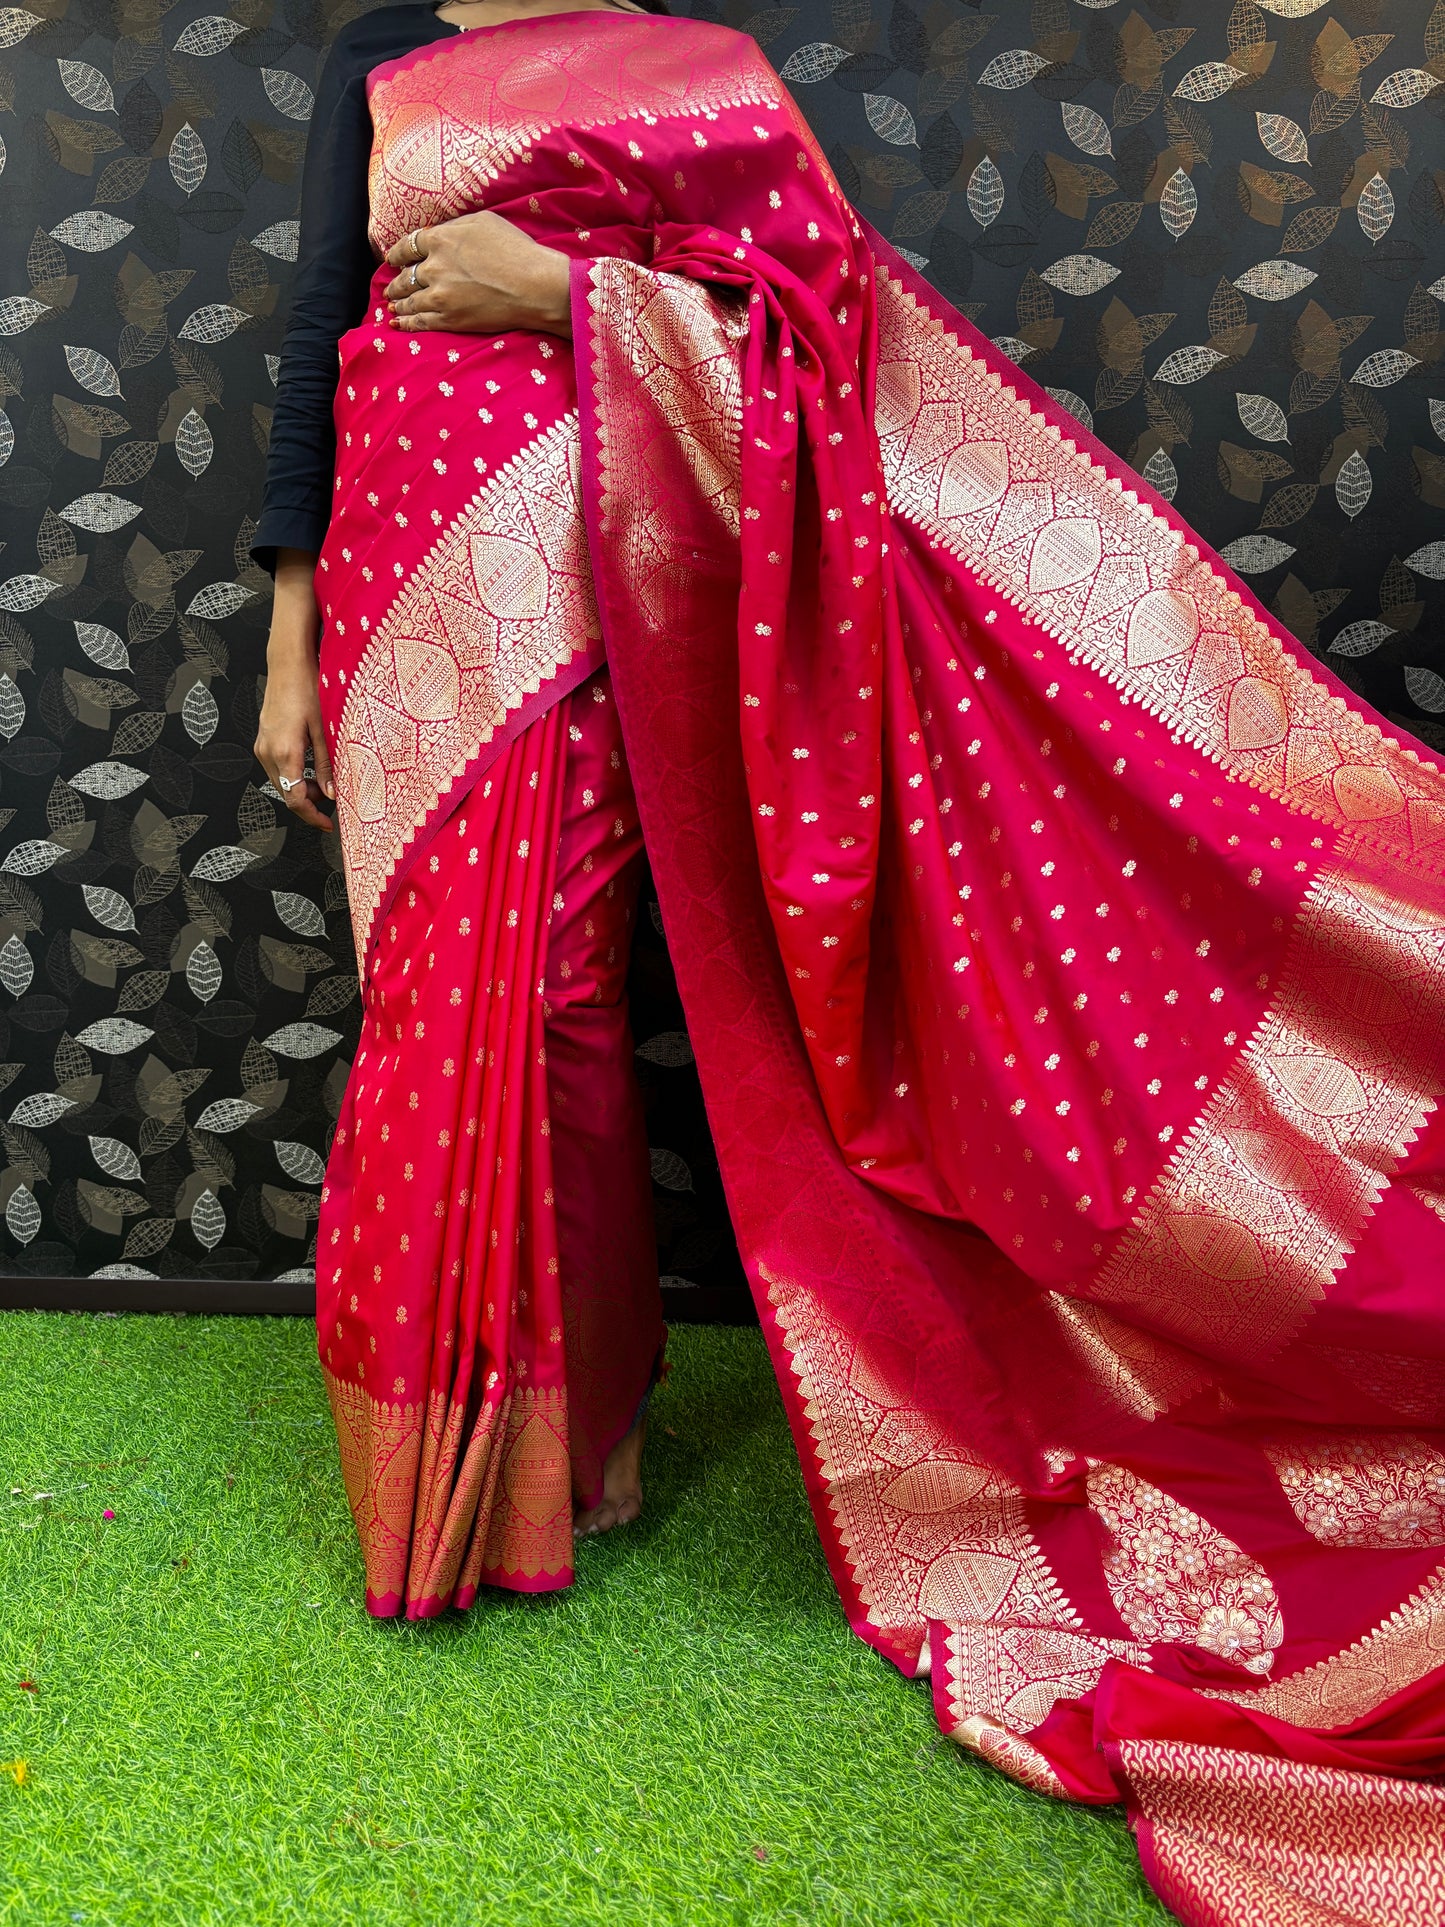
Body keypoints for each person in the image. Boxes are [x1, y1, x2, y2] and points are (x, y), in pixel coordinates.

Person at [254, 3, 1445, 1917]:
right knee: (430, 1005)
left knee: (548, 1003)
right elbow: (320, 335)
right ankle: (482, 1445)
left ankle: (582, 1439)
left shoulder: (688, 65)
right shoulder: (381, 55)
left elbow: (828, 318)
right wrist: (289, 633)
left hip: (601, 563)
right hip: (399, 567)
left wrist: (564, 287)